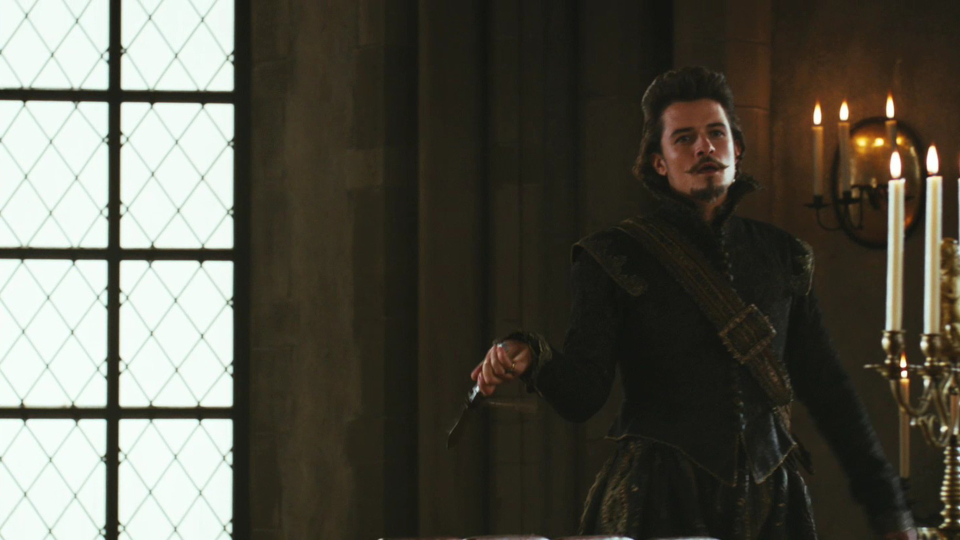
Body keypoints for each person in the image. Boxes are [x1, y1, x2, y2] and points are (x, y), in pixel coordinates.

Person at [470, 67, 915, 540]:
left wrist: (890, 511)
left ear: (736, 149)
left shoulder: (783, 255)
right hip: (658, 497)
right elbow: (583, 396)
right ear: (659, 162)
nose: (704, 148)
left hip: (771, 505)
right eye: (684, 139)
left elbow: (830, 391)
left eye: (716, 133)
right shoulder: (613, 255)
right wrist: (534, 355)